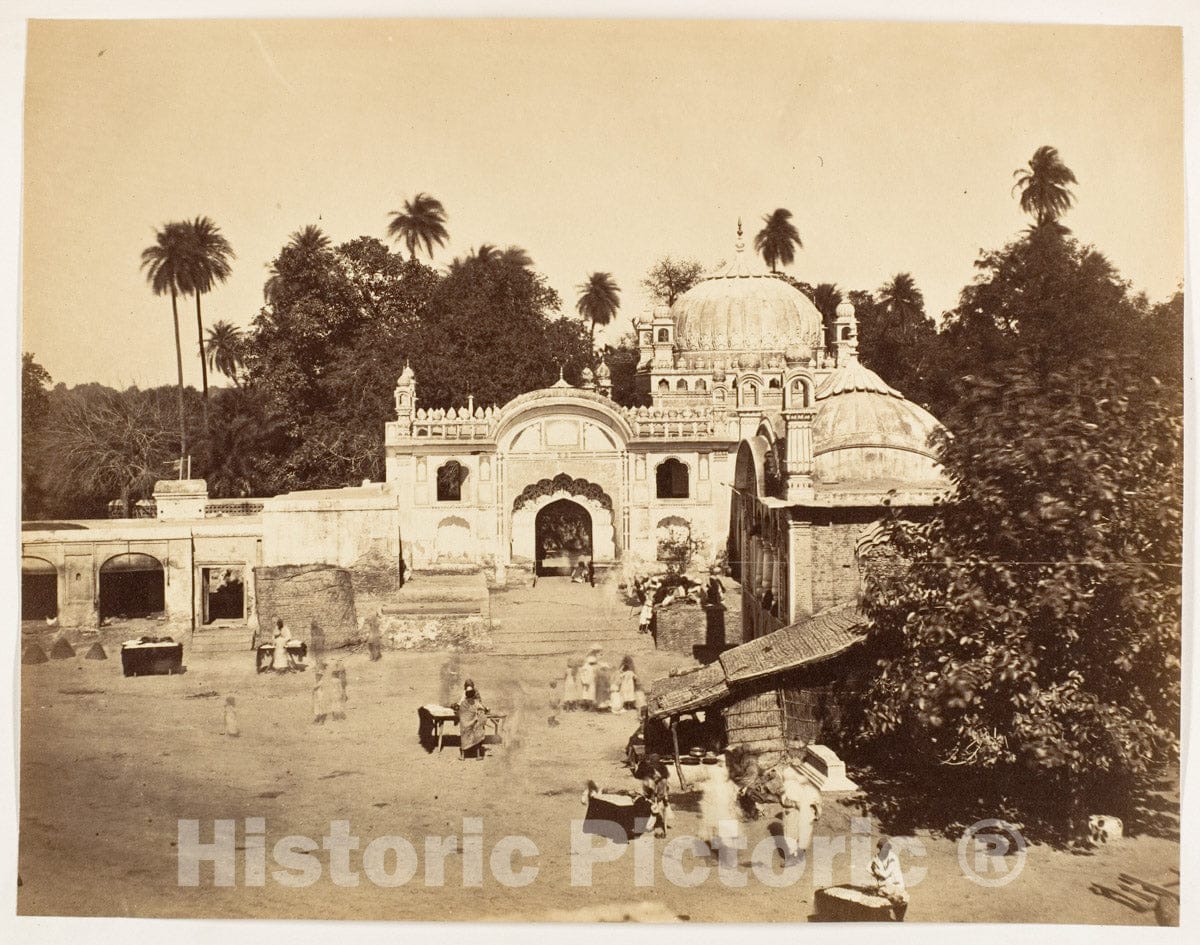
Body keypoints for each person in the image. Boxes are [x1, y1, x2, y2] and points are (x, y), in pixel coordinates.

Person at [770, 765, 822, 866]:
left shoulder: (789, 786)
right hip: (800, 811)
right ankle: (800, 853)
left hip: (792, 811)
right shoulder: (799, 785)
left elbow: (790, 802)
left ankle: (793, 857)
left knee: (790, 834)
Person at [699, 760, 741, 858]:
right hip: (721, 804)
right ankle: (725, 854)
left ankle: (725, 853)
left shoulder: (717, 777)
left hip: (722, 805)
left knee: (722, 828)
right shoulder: (719, 777)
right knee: (722, 828)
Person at [870, 837, 910, 920]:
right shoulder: (880, 857)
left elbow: (885, 874)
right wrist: (873, 868)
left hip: (897, 885)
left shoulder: (893, 858)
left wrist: (876, 871)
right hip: (888, 884)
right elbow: (872, 868)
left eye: (884, 848)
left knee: (897, 908)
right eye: (881, 848)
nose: (882, 850)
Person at [456, 679, 488, 760]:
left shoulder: (463, 703)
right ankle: (478, 755)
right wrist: (485, 709)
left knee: (464, 734)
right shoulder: (476, 702)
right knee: (478, 730)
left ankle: (462, 756)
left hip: (464, 725)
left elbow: (460, 711)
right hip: (472, 724)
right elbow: (483, 708)